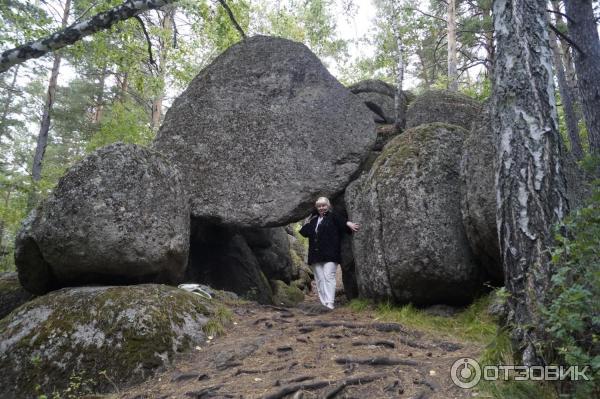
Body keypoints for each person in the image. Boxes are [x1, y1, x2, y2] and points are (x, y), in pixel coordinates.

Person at [299, 196, 359, 310]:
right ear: (316, 208)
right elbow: (304, 232)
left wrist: (348, 223)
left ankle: (330, 303)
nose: (321, 208)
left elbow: (342, 223)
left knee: (329, 276)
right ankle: (323, 303)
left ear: (328, 206)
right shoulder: (314, 220)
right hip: (315, 255)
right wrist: (307, 222)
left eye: (323, 205)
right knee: (320, 279)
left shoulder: (333, 216)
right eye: (319, 206)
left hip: (330, 254)